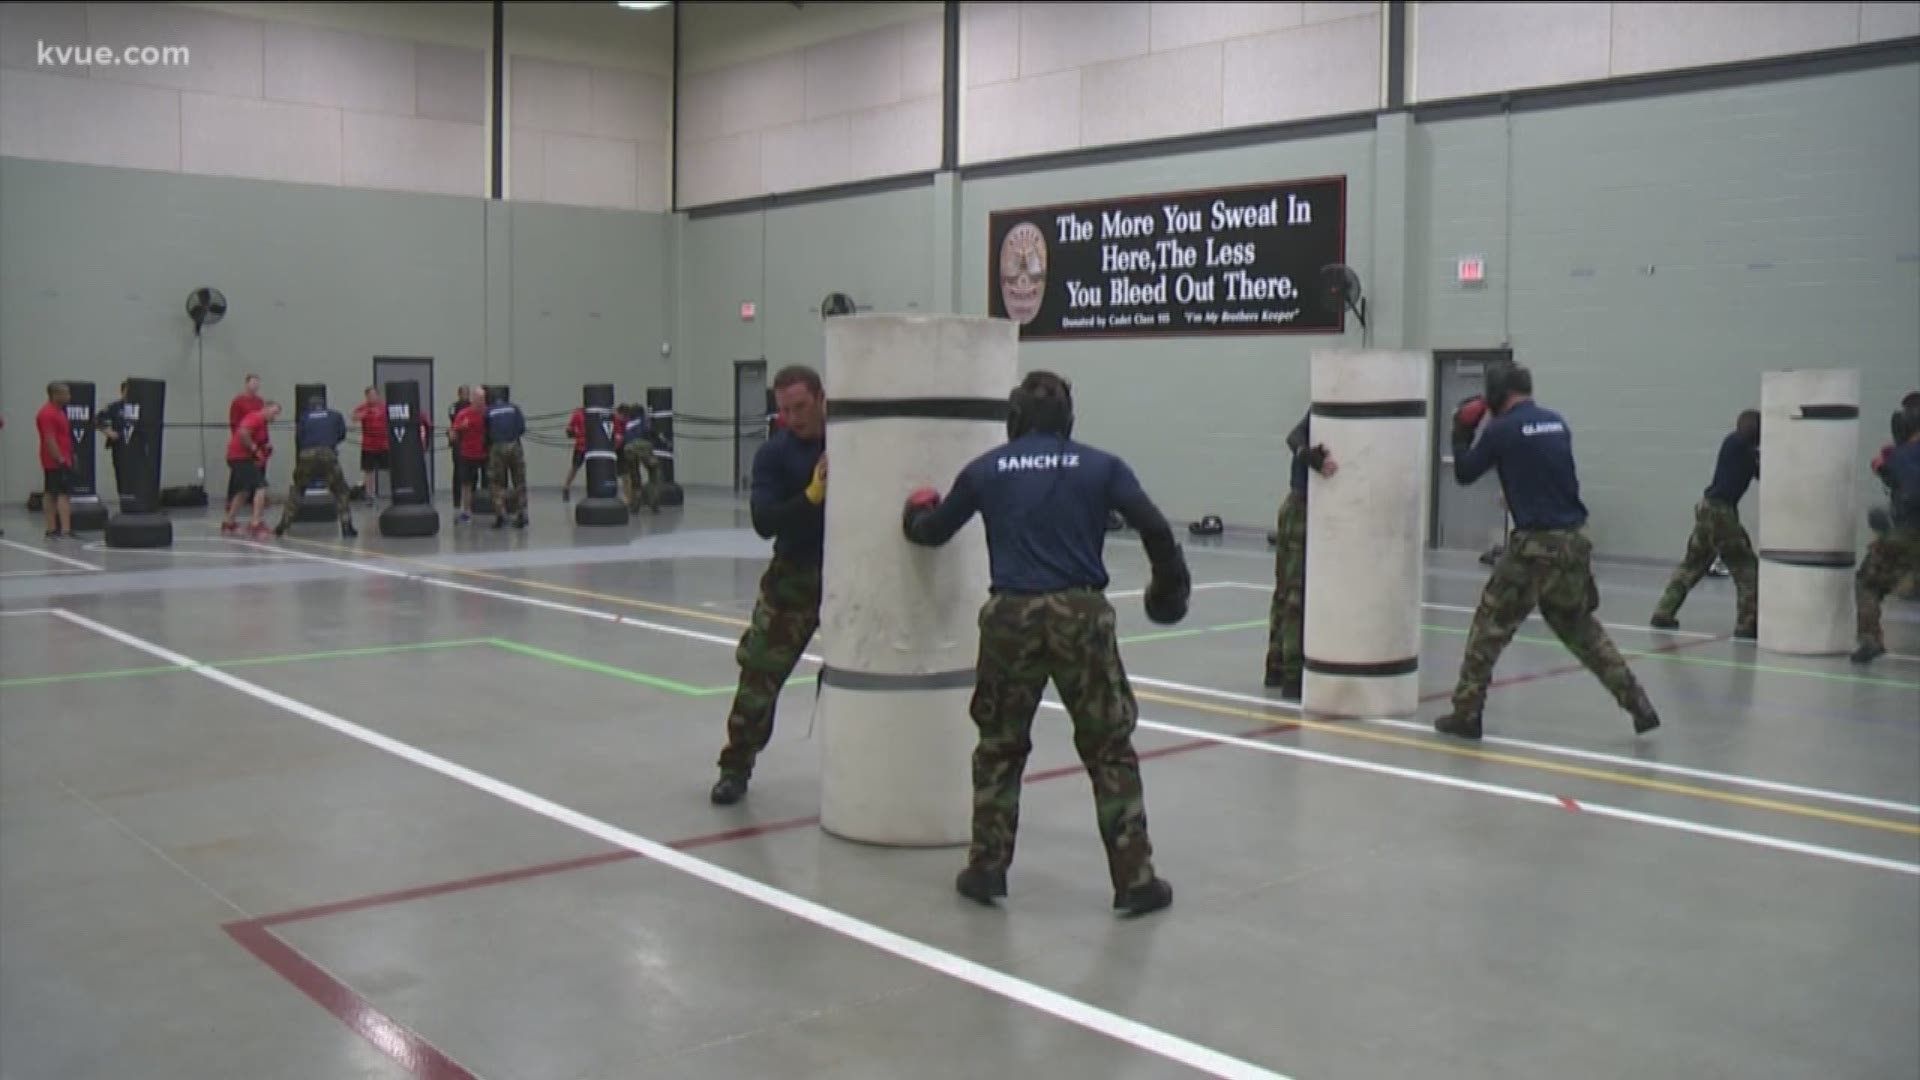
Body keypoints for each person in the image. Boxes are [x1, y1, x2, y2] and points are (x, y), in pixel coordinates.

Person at [901, 371, 1187, 917]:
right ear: (1069, 421)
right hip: (1081, 615)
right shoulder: (1101, 465)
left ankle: (986, 868)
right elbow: (1155, 527)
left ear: (1013, 420)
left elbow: (933, 531)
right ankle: (1135, 879)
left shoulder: (986, 470)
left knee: (999, 747)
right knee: (1109, 750)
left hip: (1010, 616)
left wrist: (915, 510)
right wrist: (1168, 589)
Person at [1437, 362, 1661, 739]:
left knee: (1488, 629)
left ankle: (1466, 713)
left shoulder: (1502, 430)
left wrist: (1461, 432)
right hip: (1574, 542)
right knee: (1583, 632)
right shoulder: (1557, 423)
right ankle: (1637, 702)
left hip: (1534, 546)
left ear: (1497, 393)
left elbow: (1464, 472)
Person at [709, 366, 828, 806]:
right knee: (759, 672)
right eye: (784, 410)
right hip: (795, 574)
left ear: (820, 398)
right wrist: (811, 496)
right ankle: (735, 766)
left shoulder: (850, 439)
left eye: (800, 407)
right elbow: (764, 522)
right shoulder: (774, 455)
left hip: (849, 573)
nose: (793, 418)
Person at [1650, 409, 1761, 638]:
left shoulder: (1735, 445)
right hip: (1721, 513)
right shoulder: (1741, 446)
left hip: (1707, 508)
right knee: (1746, 567)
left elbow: (1760, 471)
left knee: (1693, 564)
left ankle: (1664, 611)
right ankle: (1747, 624)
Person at [1264, 408, 1339, 698]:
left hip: (1300, 508)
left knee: (1287, 591)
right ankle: (1290, 674)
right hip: (1301, 509)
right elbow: (1293, 437)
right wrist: (1307, 455)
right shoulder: (1325, 407)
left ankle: (1277, 666)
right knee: (1294, 594)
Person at [1854, 401, 1920, 664]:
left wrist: (1887, 463)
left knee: (1868, 583)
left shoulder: (1901, 454)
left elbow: (1911, 487)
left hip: (1908, 532)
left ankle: (1870, 639)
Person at [275, 396, 357, 538]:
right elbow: (341, 435)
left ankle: (283, 525)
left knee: (298, 490)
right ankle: (346, 526)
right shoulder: (335, 415)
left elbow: (299, 437)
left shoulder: (304, 417)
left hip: (306, 455)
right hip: (327, 454)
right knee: (340, 490)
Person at [221, 401, 280, 536]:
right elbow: (243, 433)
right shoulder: (255, 417)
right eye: (274, 413)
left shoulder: (263, 425)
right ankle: (256, 523)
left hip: (241, 458)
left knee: (244, 491)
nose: (274, 417)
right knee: (261, 487)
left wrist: (265, 450)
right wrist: (254, 450)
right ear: (265, 409)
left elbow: (261, 442)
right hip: (239, 458)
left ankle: (229, 522)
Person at [36, 383, 76, 540]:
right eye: (65, 394)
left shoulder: (59, 412)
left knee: (52, 492)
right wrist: (59, 458)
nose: (69, 397)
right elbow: (49, 439)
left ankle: (54, 529)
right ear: (55, 395)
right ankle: (63, 530)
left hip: (62, 457)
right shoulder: (47, 414)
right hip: (55, 460)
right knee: (61, 494)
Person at [485, 389, 529, 529]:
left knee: (496, 482)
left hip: (497, 447)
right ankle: (521, 514)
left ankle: (501, 515)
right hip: (514, 445)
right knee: (519, 480)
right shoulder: (514, 408)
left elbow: (486, 432)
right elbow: (522, 428)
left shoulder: (489, 411)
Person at [96, 380, 136, 512]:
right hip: (120, 448)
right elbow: (97, 419)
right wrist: (108, 432)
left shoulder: (140, 406)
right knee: (121, 475)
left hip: (136, 447)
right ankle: (124, 502)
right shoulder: (115, 407)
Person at [620, 404, 661, 513]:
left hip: (628, 448)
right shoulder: (644, 420)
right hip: (643, 445)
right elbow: (651, 432)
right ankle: (654, 501)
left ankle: (636, 504)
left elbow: (624, 437)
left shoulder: (628, 423)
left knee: (635, 476)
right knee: (654, 472)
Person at [352, 386, 389, 504]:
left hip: (384, 444)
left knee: (390, 469)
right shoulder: (363, 408)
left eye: (374, 395)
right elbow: (354, 418)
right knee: (368, 471)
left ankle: (393, 492)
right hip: (368, 445)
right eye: (369, 396)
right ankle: (369, 495)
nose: (372, 398)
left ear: (378, 396)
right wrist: (367, 412)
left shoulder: (385, 407)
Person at [448, 385, 471, 511]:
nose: (466, 395)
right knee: (457, 471)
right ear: (459, 394)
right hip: (458, 443)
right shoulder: (454, 407)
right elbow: (454, 422)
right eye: (464, 393)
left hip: (471, 443)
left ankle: (470, 500)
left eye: (468, 393)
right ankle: (456, 500)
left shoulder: (472, 406)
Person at [562, 405, 588, 503]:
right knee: (574, 467)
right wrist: (571, 432)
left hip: (593, 446)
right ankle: (566, 488)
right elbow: (570, 427)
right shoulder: (578, 414)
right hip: (581, 446)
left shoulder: (597, 413)